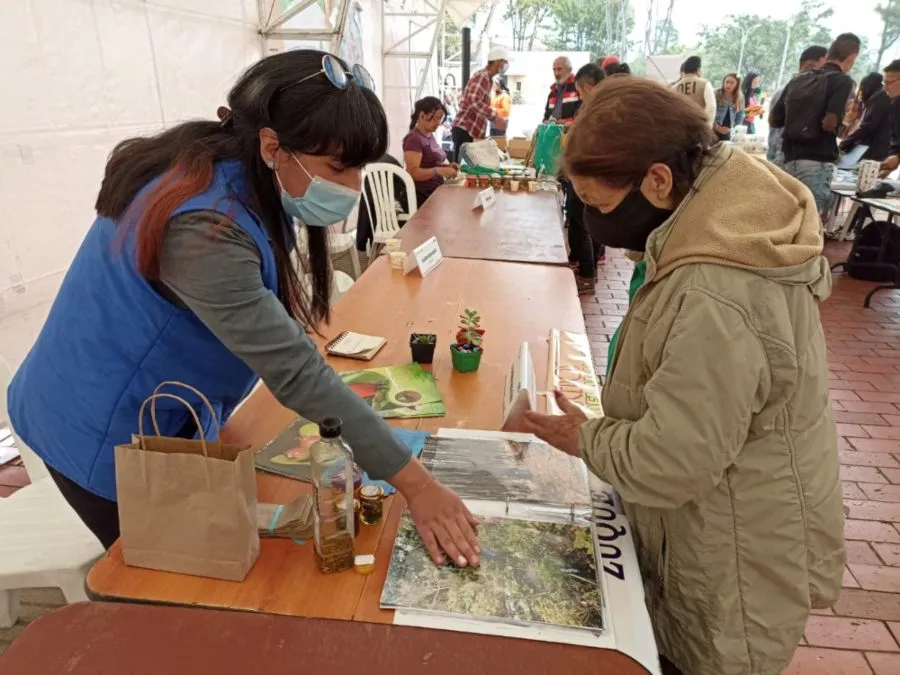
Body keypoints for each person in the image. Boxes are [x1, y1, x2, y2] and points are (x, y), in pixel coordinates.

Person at [6, 50, 480, 569]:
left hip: (146, 404)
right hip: (97, 428)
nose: (351, 186)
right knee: (168, 583)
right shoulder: (202, 228)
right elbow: (295, 373)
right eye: (339, 167)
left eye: (359, 167)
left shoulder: (232, 168)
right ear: (272, 145)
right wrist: (417, 484)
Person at [520, 76, 842, 675]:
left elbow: (673, 461)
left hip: (730, 565)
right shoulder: (715, 230)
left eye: (599, 205)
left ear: (659, 181)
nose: (592, 223)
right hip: (715, 532)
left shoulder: (717, 287)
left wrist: (585, 438)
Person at [771, 33, 860, 219]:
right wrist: (845, 121)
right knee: (811, 224)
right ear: (852, 56)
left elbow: (774, 120)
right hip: (816, 161)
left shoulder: (799, 79)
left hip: (787, 158)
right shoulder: (842, 81)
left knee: (784, 219)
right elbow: (829, 123)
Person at [545, 56, 592, 293]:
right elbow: (547, 116)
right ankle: (577, 260)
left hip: (576, 158)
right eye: (554, 68)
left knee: (578, 216)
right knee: (572, 212)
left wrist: (561, 124)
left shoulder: (579, 91)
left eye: (559, 68)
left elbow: (578, 122)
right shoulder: (554, 90)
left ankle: (587, 270)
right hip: (561, 152)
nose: (556, 72)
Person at [767, 45, 828, 164]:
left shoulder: (786, 89)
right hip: (785, 157)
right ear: (811, 65)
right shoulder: (795, 92)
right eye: (826, 64)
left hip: (781, 155)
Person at [451, 46, 509, 161]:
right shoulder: (482, 76)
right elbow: (473, 101)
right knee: (461, 169)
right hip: (465, 129)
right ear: (498, 62)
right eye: (504, 62)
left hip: (469, 130)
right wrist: (495, 117)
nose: (505, 66)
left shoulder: (488, 79)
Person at [403, 97, 459, 204]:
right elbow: (413, 172)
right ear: (422, 115)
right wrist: (438, 171)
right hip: (423, 195)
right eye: (435, 119)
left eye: (440, 119)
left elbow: (430, 164)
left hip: (435, 190)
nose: (438, 123)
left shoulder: (429, 135)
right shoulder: (414, 139)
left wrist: (446, 167)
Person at [840, 72, 893, 161]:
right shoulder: (882, 97)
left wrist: (847, 141)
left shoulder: (879, 99)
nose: (861, 93)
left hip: (874, 147)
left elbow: (868, 125)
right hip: (881, 146)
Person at [671, 55, 716, 128]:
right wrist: (708, 126)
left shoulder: (674, 87)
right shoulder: (705, 84)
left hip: (680, 126)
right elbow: (711, 107)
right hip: (699, 126)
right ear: (698, 70)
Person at [878, 60, 900, 175]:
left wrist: (898, 158)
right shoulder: (895, 103)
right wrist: (889, 166)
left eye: (889, 83)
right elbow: (896, 138)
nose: (885, 88)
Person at [543, 56, 580, 125]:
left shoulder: (578, 87)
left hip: (572, 132)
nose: (556, 73)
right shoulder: (552, 92)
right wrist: (546, 121)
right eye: (554, 70)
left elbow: (584, 115)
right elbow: (546, 117)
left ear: (570, 69)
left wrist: (566, 122)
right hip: (553, 131)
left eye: (559, 69)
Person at [713, 73, 743, 141]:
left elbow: (740, 115)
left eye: (732, 83)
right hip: (715, 129)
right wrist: (717, 128)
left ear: (737, 85)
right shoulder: (716, 93)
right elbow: (710, 112)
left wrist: (734, 130)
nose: (728, 85)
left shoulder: (740, 97)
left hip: (729, 132)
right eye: (727, 82)